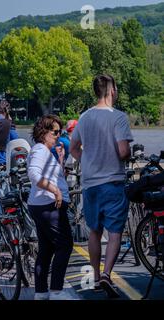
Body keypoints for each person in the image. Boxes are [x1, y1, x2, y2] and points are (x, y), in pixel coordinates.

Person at [70, 75, 134, 298]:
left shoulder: (84, 116)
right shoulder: (118, 117)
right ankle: (107, 274)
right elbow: (124, 151)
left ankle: (95, 278)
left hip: (90, 184)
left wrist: (87, 161)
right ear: (112, 90)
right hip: (112, 181)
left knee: (94, 232)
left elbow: (73, 148)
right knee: (115, 232)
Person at [27, 115, 74, 300]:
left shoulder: (45, 151)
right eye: (55, 132)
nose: (58, 136)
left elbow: (52, 175)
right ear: (44, 132)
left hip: (41, 205)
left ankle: (41, 292)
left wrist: (60, 159)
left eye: (60, 132)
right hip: (48, 205)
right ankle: (56, 291)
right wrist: (54, 190)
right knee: (65, 245)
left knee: (46, 249)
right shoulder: (40, 150)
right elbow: (33, 174)